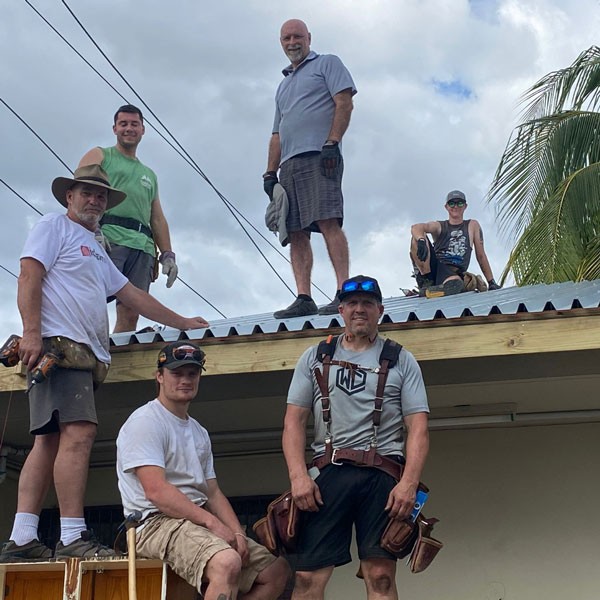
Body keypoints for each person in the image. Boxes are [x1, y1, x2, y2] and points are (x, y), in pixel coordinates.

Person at [0, 165, 209, 563]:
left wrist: (181, 322)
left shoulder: (96, 245)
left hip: (78, 354)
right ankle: (72, 535)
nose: (94, 200)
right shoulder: (53, 226)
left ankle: (23, 537)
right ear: (69, 197)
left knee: (49, 439)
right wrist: (30, 332)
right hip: (60, 347)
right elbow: (28, 274)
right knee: (78, 433)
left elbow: (130, 293)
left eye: (100, 196)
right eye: (86, 193)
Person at [282, 275, 430, 600]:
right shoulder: (315, 356)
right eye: (352, 304)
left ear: (380, 309)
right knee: (307, 578)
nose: (359, 310)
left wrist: (408, 483)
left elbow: (417, 427)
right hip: (327, 474)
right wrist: (298, 478)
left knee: (380, 577)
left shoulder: (401, 359)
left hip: (383, 476)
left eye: (367, 303)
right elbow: (294, 422)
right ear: (341, 310)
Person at [116, 341, 290, 599]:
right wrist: (213, 523)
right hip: (153, 523)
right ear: (159, 376)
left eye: (192, 374)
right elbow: (156, 491)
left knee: (277, 571)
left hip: (195, 521)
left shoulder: (199, 431)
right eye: (177, 373)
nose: (185, 380)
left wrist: (238, 533)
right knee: (227, 562)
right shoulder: (145, 421)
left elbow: (213, 491)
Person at [264, 19, 357, 319]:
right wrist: (269, 172)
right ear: (281, 42)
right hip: (289, 164)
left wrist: (332, 141)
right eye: (287, 38)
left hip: (320, 155)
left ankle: (344, 290)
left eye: (298, 37)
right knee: (295, 230)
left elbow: (344, 102)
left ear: (309, 38)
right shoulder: (282, 85)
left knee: (328, 220)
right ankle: (304, 296)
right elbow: (277, 133)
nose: (292, 42)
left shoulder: (327, 63)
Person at [79, 104, 178, 333]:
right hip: (107, 241)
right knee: (91, 302)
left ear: (143, 130)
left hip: (142, 247)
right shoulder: (101, 155)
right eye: (123, 124)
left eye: (134, 124)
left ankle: (115, 363)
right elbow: (78, 193)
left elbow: (157, 218)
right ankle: (82, 353)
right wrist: (90, 230)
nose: (129, 128)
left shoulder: (149, 174)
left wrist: (167, 255)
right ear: (114, 128)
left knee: (132, 311)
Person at [410, 190, 501, 296]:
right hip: (435, 268)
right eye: (452, 203)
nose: (455, 206)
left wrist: (491, 282)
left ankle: (431, 292)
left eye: (459, 203)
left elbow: (481, 255)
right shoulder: (440, 226)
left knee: (455, 284)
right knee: (416, 238)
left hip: (453, 273)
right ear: (446, 207)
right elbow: (416, 227)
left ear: (465, 206)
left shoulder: (472, 225)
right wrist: (421, 240)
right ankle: (426, 283)